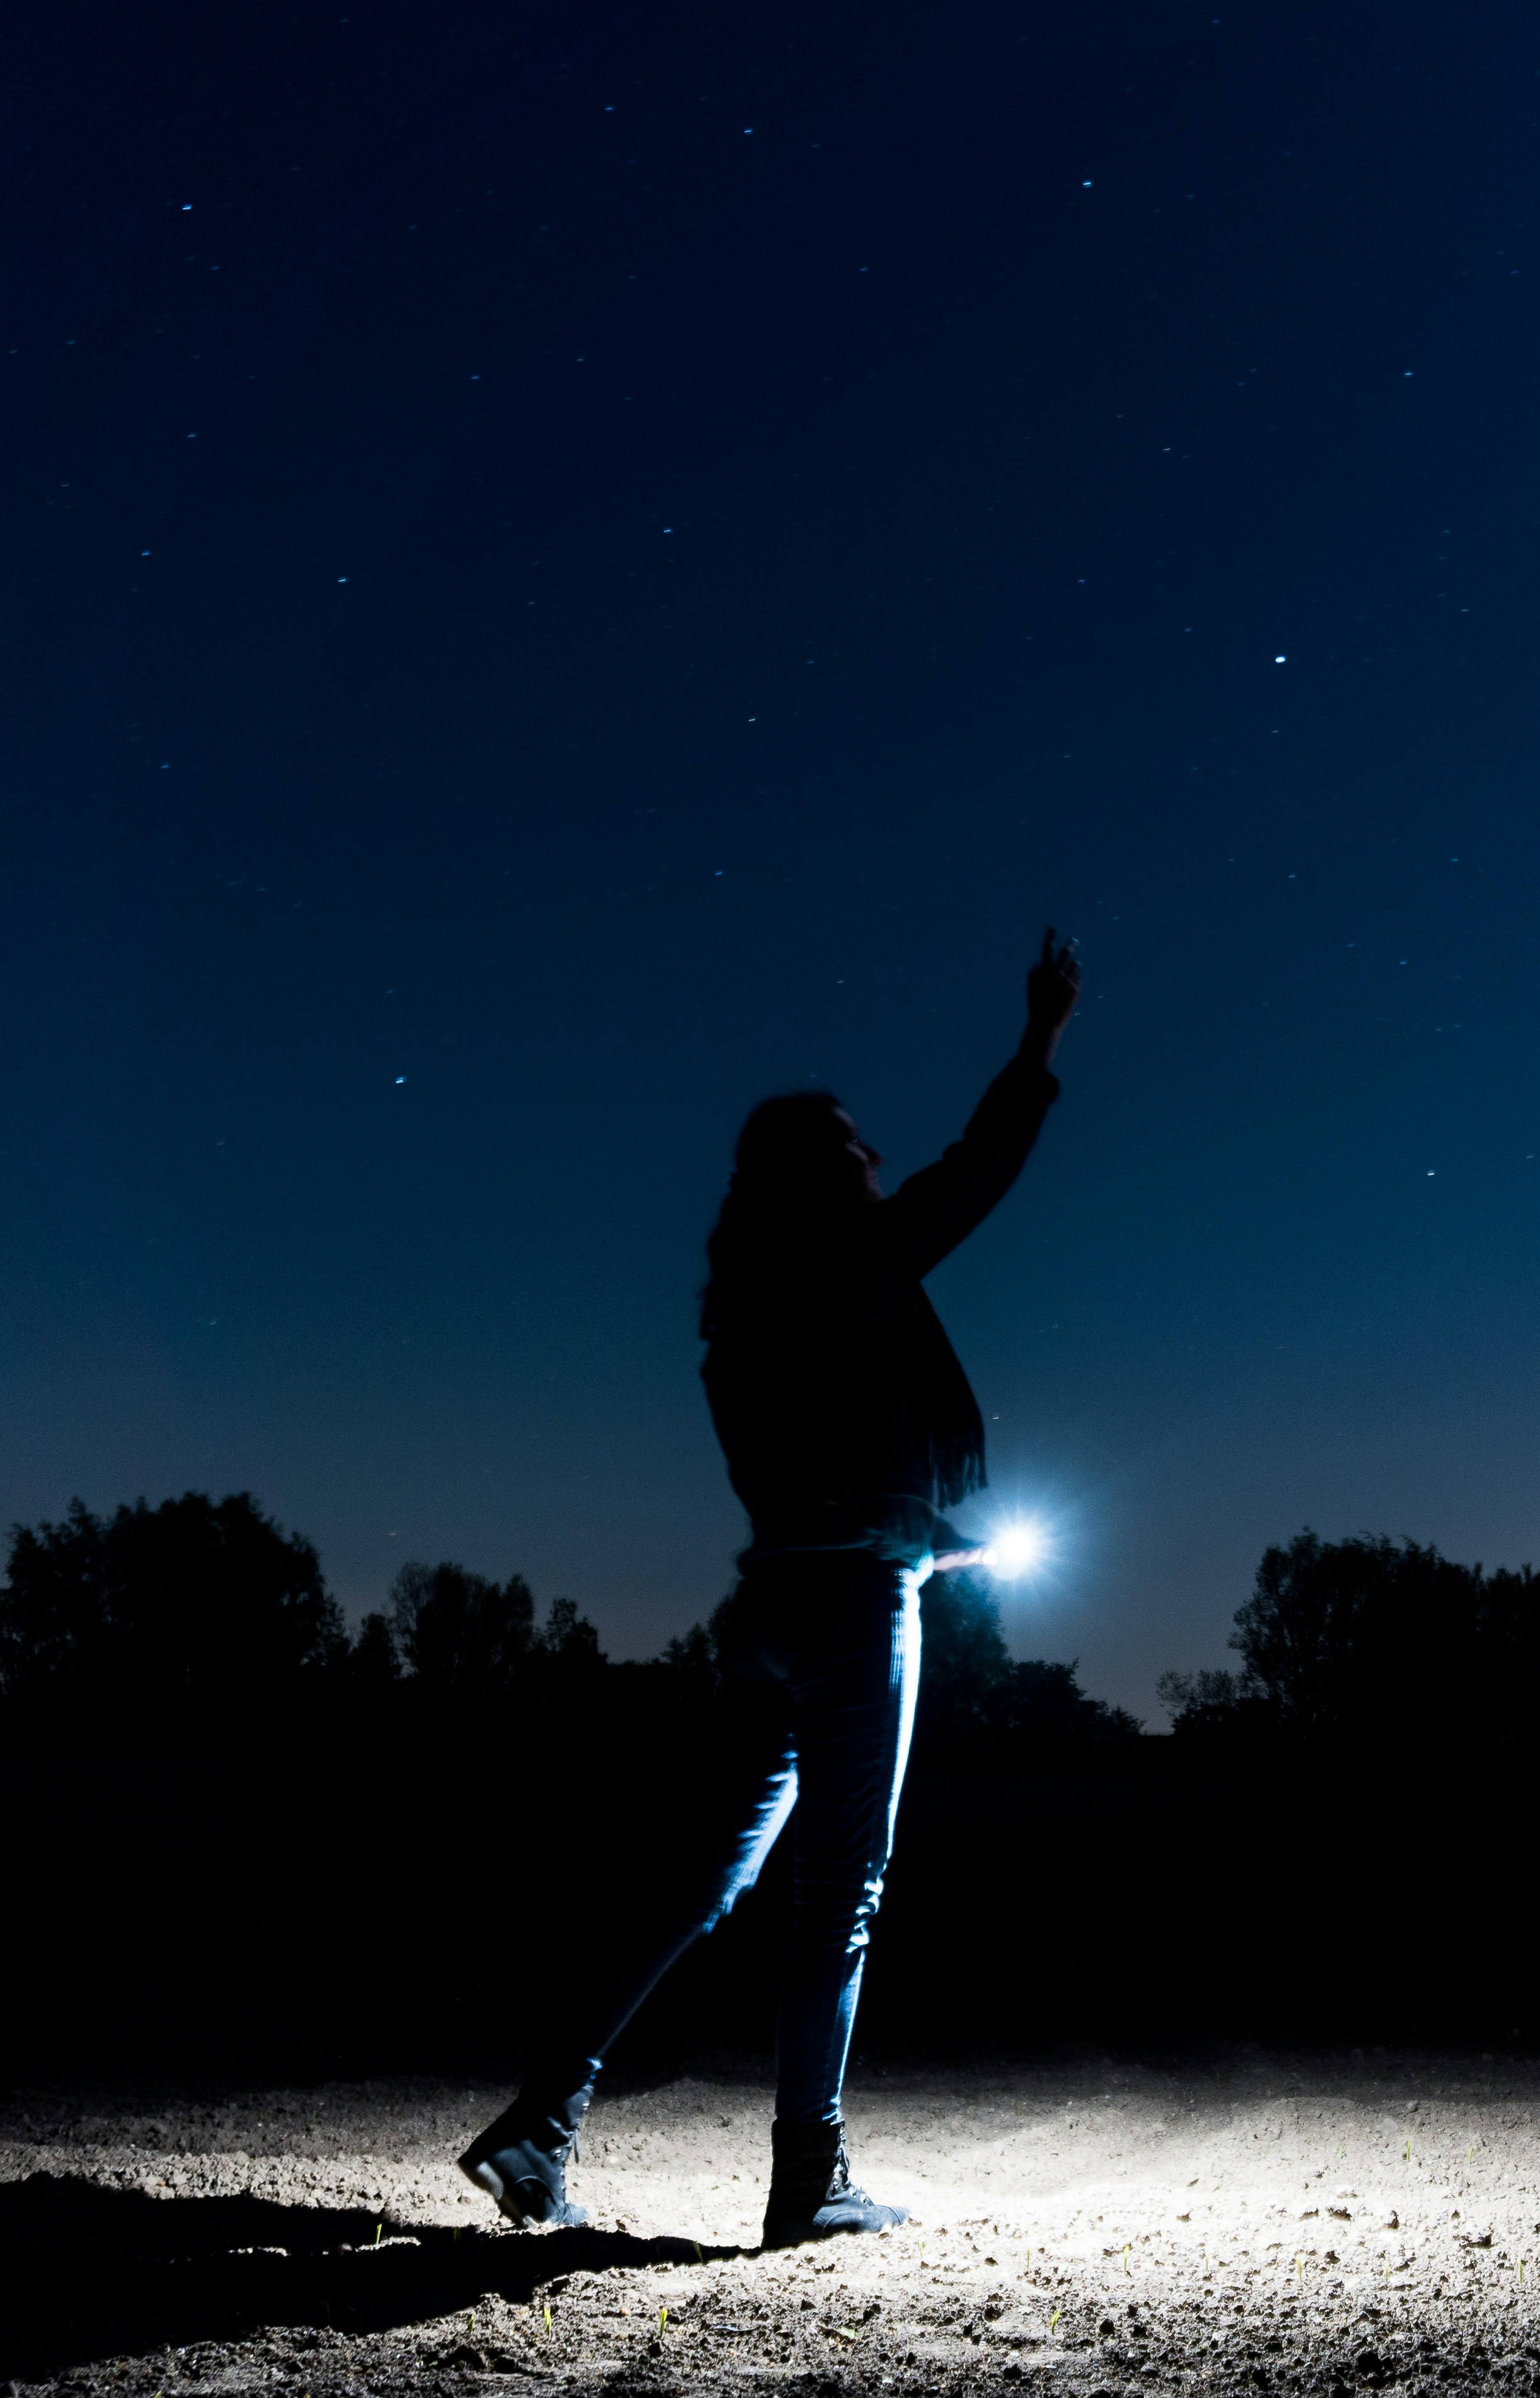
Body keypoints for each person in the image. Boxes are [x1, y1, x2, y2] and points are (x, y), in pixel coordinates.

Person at [455, 929, 1083, 2243]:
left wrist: (927, 1533)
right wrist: (1040, 1038)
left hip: (769, 1613)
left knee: (702, 1878)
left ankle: (543, 2117)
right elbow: (974, 1175)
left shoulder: (738, 1314)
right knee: (838, 1893)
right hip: (853, 1615)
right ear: (821, 1170)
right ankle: (811, 2178)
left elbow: (819, 1485)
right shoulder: (850, 1269)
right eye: (855, 1145)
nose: (873, 1156)